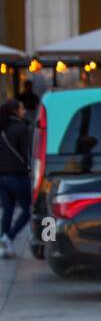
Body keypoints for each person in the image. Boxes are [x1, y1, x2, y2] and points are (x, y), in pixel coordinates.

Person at [0, 99, 32, 259]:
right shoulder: (21, 128)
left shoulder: (2, 128)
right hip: (18, 176)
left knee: (8, 210)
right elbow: (27, 153)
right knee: (29, 209)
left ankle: (5, 246)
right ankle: (8, 237)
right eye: (22, 108)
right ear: (16, 111)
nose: (24, 111)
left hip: (2, 176)